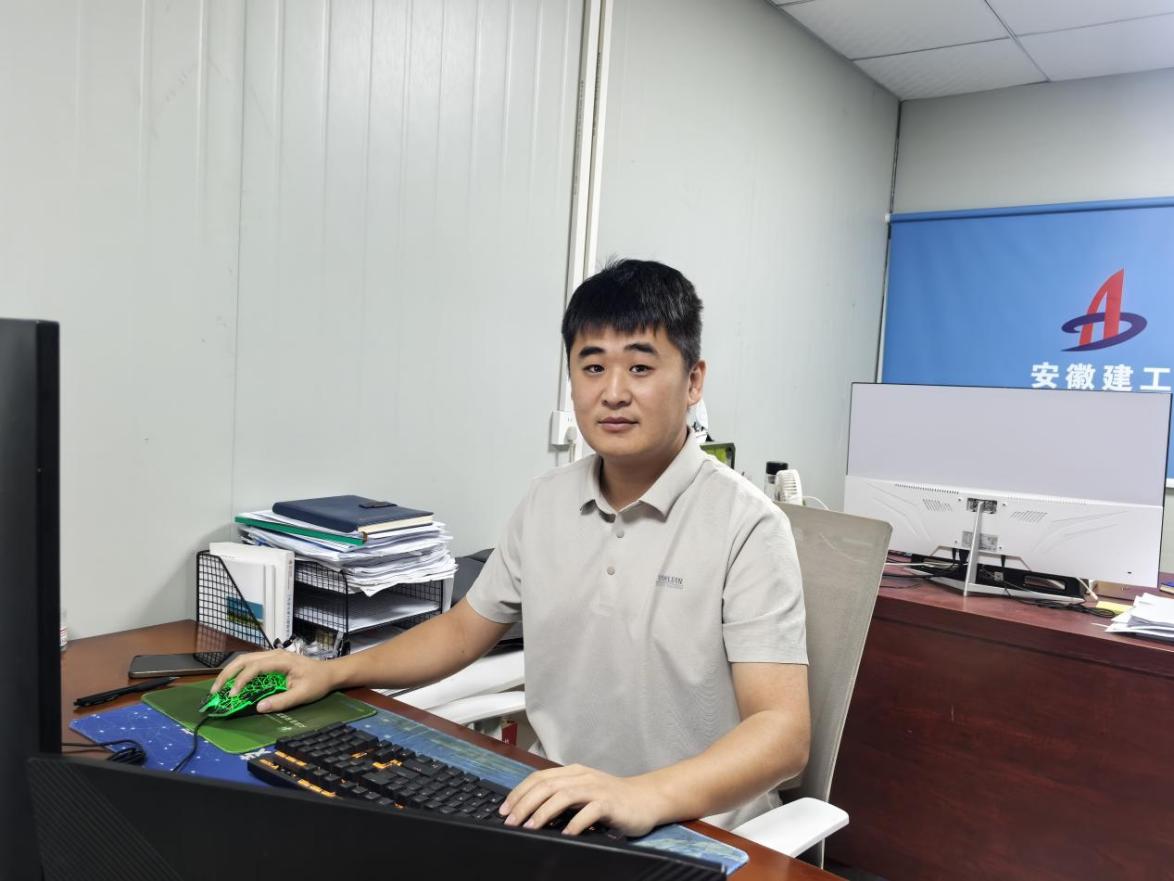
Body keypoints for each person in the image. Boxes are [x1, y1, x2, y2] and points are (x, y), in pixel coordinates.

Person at [212, 259, 809, 836]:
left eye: (640, 367)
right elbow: (460, 633)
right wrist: (331, 672)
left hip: (700, 827)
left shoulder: (747, 525)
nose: (613, 392)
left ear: (694, 381)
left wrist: (644, 795)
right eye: (592, 367)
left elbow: (782, 732)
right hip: (558, 809)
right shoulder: (547, 501)